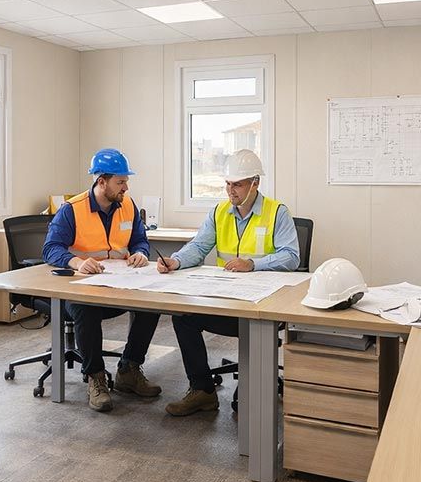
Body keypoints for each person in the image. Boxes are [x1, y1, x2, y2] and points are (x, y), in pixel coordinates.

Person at [156, 149, 299, 416]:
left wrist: (253, 263)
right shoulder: (219, 212)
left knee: (251, 403)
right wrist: (175, 261)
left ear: (255, 183)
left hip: (262, 303)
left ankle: (256, 392)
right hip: (226, 300)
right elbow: (199, 247)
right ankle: (202, 391)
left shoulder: (277, 212)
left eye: (238, 184)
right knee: (184, 317)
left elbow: (291, 257)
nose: (230, 190)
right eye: (228, 184)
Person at [42, 148, 162, 413]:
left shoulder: (127, 205)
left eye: (126, 181)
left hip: (118, 282)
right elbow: (50, 248)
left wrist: (141, 253)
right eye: (121, 182)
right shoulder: (72, 210)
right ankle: (95, 377)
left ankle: (129, 369)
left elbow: (140, 239)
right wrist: (76, 262)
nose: (126, 187)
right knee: (85, 309)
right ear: (101, 181)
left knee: (152, 303)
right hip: (77, 289)